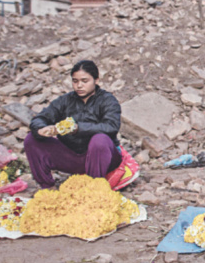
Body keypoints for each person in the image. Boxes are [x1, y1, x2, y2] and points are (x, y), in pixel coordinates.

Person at [25, 60, 139, 190]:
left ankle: (94, 188)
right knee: (31, 139)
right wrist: (41, 129)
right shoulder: (65, 101)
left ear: (96, 80)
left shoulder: (108, 101)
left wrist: (78, 128)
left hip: (103, 158)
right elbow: (40, 118)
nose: (79, 85)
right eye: (75, 81)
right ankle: (48, 188)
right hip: (73, 157)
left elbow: (111, 126)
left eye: (85, 81)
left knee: (99, 140)